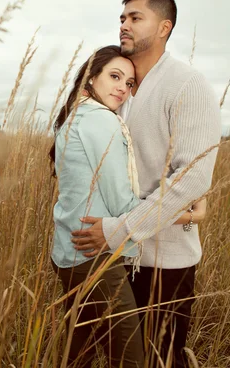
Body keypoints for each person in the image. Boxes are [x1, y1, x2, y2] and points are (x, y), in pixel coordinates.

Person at [70, 0, 222, 368]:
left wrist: (119, 229)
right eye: (122, 17)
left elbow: (190, 179)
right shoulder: (121, 86)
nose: (124, 25)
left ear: (163, 27)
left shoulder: (188, 85)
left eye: (136, 18)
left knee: (161, 359)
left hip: (163, 263)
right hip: (110, 256)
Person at [49, 45, 206, 368]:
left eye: (130, 83)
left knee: (79, 354)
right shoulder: (102, 121)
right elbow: (122, 202)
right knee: (131, 359)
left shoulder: (74, 116)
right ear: (91, 77)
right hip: (93, 259)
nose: (123, 88)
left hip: (68, 253)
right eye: (115, 76)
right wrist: (191, 214)